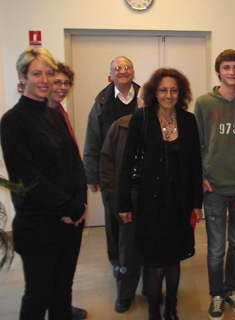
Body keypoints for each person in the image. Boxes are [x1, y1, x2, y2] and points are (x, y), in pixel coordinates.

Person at [0, 47, 87, 320]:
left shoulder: (54, 112)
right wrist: (67, 208)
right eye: (36, 73)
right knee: (38, 294)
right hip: (39, 225)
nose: (45, 80)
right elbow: (27, 177)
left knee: (63, 290)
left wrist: (79, 205)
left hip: (69, 222)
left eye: (49, 73)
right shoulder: (13, 121)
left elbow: (74, 163)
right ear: (22, 76)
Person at [118, 68, 203, 320]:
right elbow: (126, 162)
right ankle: (154, 312)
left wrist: (197, 203)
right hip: (150, 203)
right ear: (155, 92)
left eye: (174, 90)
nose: (168, 95)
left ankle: (172, 309)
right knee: (155, 264)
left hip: (179, 202)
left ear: (181, 93)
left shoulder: (188, 121)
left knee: (174, 259)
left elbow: (195, 164)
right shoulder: (141, 118)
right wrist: (123, 203)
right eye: (163, 90)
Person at [194, 49, 235, 320]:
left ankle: (232, 289)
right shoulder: (203, 103)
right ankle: (216, 295)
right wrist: (201, 177)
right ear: (218, 71)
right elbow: (196, 146)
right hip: (214, 188)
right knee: (215, 248)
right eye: (226, 67)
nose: (231, 72)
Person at [82, 56, 140, 312]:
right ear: (111, 74)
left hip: (142, 176)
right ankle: (120, 268)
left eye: (126, 67)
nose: (123, 71)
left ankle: (145, 277)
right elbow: (92, 139)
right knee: (116, 228)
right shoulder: (102, 102)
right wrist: (92, 176)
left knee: (141, 229)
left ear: (133, 71)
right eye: (117, 68)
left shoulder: (144, 97)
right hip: (113, 176)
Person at [46, 62, 88, 320]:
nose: (62, 88)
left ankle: (62, 307)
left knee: (66, 266)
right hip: (58, 207)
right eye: (57, 82)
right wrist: (65, 207)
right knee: (53, 268)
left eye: (66, 83)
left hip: (72, 201)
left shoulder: (59, 111)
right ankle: (57, 310)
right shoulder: (41, 116)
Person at [99, 87, 146, 315]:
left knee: (153, 248)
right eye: (146, 99)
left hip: (154, 200)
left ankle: (151, 288)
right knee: (127, 251)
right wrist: (112, 196)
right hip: (127, 198)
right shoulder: (120, 126)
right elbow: (106, 163)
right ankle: (125, 294)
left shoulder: (165, 126)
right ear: (138, 100)